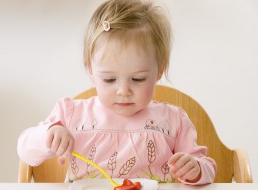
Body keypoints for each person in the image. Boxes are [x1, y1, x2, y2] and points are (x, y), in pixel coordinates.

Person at [17, 0, 216, 185]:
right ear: (91, 71)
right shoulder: (72, 114)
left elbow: (207, 167)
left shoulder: (173, 120)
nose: (123, 91)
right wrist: (48, 135)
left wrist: (196, 169)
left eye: (138, 79)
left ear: (160, 70)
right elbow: (25, 151)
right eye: (109, 79)